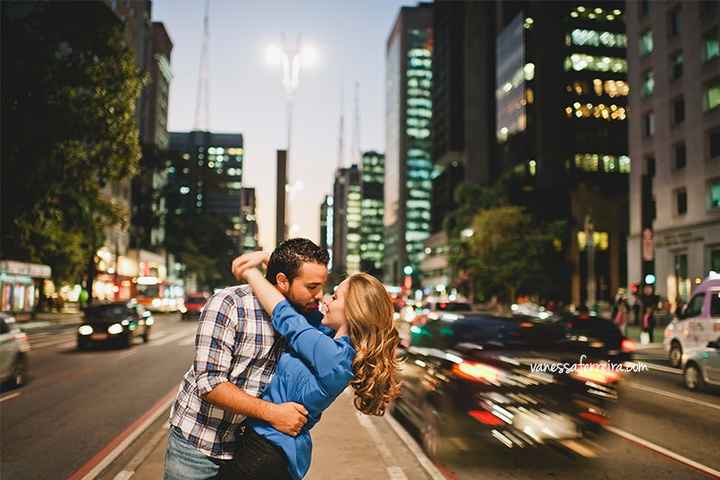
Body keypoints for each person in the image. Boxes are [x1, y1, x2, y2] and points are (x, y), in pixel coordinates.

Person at [221, 251, 401, 480]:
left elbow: (286, 316)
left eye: (334, 297)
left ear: (353, 311)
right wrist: (274, 260)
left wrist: (249, 272)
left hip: (266, 452)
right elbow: (300, 301)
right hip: (266, 448)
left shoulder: (335, 357)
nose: (324, 300)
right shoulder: (328, 339)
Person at [163, 239, 330, 480]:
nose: (320, 295)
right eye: (312, 287)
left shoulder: (302, 317)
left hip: (247, 448)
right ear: (282, 281)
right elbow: (210, 384)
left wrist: (266, 257)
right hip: (198, 444)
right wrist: (274, 413)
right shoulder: (230, 304)